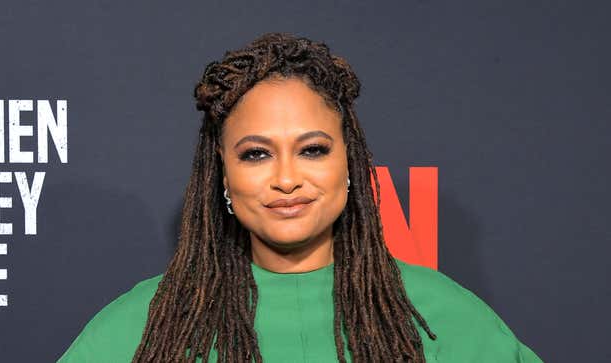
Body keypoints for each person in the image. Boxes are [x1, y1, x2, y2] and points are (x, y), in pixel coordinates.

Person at [57, 32, 543, 362]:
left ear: (347, 162)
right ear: (222, 175)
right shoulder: (149, 324)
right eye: (255, 154)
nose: (286, 179)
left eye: (312, 149)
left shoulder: (439, 315)